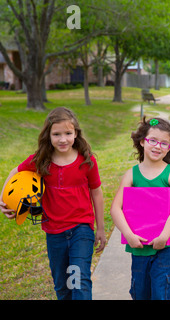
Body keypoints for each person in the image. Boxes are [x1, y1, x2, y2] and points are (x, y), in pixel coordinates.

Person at [0, 107, 106, 300]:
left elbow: (96, 193)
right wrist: (4, 200)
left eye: (68, 133)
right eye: (56, 134)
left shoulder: (87, 161)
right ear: (48, 135)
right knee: (62, 285)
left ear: (76, 133)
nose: (63, 139)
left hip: (81, 229)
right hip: (54, 232)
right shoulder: (41, 160)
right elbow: (14, 172)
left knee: (79, 280)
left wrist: (100, 228)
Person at [110, 117, 170, 300]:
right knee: (140, 292)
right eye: (153, 140)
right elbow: (115, 208)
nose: (157, 146)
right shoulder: (132, 174)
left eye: (164, 143)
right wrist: (128, 234)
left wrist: (164, 236)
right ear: (143, 141)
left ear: (169, 148)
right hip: (139, 244)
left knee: (162, 292)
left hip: (167, 244)